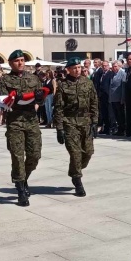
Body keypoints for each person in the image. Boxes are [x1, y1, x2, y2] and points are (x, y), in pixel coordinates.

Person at [0, 49, 45, 206]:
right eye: (17, 60)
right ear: (11, 63)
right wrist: (16, 101)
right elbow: (4, 101)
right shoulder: (5, 80)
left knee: (35, 155)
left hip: (31, 120)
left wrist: (37, 104)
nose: (20, 63)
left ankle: (24, 178)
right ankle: (20, 189)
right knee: (17, 156)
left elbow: (41, 96)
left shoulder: (34, 78)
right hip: (15, 122)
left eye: (23, 60)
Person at [54, 57, 98, 197]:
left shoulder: (88, 83)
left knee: (88, 152)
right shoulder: (62, 85)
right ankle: (77, 180)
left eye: (79, 67)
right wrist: (59, 128)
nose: (77, 70)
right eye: (74, 68)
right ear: (68, 69)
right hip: (70, 121)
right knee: (75, 153)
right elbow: (58, 108)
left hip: (85, 121)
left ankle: (75, 169)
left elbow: (94, 103)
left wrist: (95, 122)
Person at [108, 59, 126, 135]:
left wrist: (123, 98)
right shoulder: (112, 74)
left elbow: (123, 87)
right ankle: (119, 129)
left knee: (120, 115)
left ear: (119, 66)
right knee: (116, 115)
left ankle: (122, 129)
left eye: (115, 66)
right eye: (113, 66)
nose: (114, 68)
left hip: (119, 98)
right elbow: (110, 86)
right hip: (113, 98)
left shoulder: (122, 73)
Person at [96, 60, 112, 135]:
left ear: (108, 66)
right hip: (102, 96)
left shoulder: (110, 74)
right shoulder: (102, 74)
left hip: (108, 96)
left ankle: (109, 128)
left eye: (106, 65)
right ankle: (105, 128)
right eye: (103, 66)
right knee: (103, 113)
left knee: (108, 113)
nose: (104, 67)